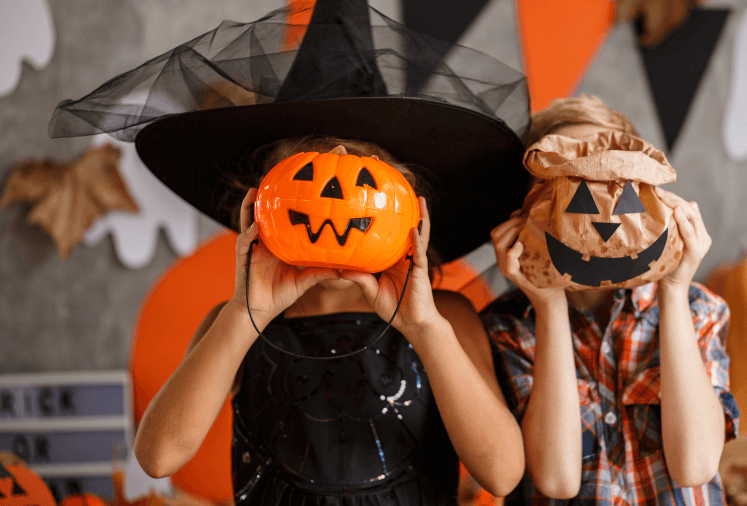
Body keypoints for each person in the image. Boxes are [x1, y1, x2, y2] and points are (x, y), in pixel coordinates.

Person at [48, 1, 532, 503]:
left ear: (411, 208)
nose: (337, 200)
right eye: (307, 174)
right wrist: (244, 314)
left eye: (366, 176)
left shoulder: (446, 320)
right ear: (262, 207)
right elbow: (159, 456)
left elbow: (501, 473)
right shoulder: (235, 325)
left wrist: (425, 329)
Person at [482, 96, 739, 505]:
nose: (600, 219)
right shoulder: (507, 325)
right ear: (527, 208)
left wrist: (672, 289)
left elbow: (695, 464)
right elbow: (557, 478)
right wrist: (548, 305)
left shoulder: (698, 309)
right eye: (574, 191)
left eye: (617, 189)